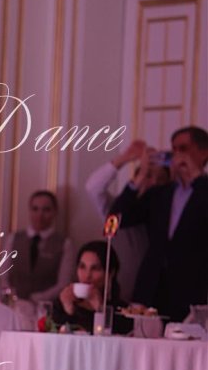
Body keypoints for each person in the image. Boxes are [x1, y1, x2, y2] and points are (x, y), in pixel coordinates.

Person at [109, 126, 208, 321]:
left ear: (203, 152)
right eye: (174, 149)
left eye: (183, 149)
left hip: (191, 291)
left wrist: (197, 177)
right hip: (150, 289)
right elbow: (116, 219)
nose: (177, 155)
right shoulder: (161, 193)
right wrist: (139, 178)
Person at [85, 139, 170, 303]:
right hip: (119, 296)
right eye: (148, 175)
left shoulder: (169, 217)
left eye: (161, 179)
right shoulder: (116, 211)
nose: (154, 183)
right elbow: (93, 188)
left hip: (156, 297)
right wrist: (124, 158)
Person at [0, 190, 73, 302]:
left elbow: (63, 283)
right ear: (29, 210)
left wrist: (38, 298)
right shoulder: (13, 239)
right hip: (14, 303)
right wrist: (11, 296)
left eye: (46, 210)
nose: (40, 215)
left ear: (55, 212)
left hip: (47, 306)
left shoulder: (65, 244)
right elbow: (3, 274)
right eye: (35, 209)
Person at [52, 241, 121, 333]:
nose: (87, 275)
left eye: (95, 268)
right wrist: (68, 309)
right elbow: (53, 336)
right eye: (82, 267)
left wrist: (100, 310)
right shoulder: (61, 303)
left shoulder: (120, 310)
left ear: (110, 273)